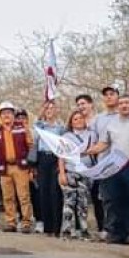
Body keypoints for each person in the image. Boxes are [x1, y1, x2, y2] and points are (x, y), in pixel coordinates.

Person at [87, 94, 129, 246]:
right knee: (113, 200)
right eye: (121, 103)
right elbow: (103, 144)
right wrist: (85, 151)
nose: (124, 106)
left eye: (127, 103)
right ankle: (116, 234)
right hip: (113, 166)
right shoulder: (111, 123)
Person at [0, 101, 35, 233]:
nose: (6, 115)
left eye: (9, 113)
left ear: (13, 114)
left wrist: (32, 168)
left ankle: (26, 223)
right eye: (3, 113)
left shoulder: (22, 128)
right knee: (7, 197)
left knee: (24, 196)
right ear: (0, 116)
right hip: (4, 168)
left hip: (20, 167)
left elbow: (31, 146)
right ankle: (11, 223)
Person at [58, 110, 97, 239]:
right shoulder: (66, 137)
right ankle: (66, 230)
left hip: (86, 172)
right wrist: (62, 173)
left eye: (80, 118)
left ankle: (83, 230)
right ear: (71, 122)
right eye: (75, 119)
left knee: (83, 203)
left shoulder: (92, 135)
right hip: (70, 171)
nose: (78, 120)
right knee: (69, 202)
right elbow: (61, 156)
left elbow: (97, 153)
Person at [91, 85, 120, 240]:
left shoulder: (124, 115)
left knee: (123, 198)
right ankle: (108, 229)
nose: (109, 97)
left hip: (122, 163)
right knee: (107, 198)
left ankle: (124, 230)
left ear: (117, 96)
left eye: (112, 94)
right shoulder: (98, 119)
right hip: (104, 164)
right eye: (106, 95)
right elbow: (94, 142)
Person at [34, 101, 65, 236]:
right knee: (43, 192)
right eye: (47, 108)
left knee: (55, 192)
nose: (49, 110)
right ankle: (47, 227)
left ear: (57, 110)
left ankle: (57, 226)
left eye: (52, 108)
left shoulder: (61, 128)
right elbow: (36, 122)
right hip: (42, 159)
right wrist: (43, 107)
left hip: (55, 158)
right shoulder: (41, 126)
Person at [76, 93, 104, 236]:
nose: (81, 107)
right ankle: (82, 228)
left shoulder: (98, 120)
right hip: (81, 166)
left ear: (91, 104)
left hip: (98, 164)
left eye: (83, 104)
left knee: (98, 198)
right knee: (81, 198)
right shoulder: (77, 121)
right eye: (79, 105)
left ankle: (102, 228)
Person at [15, 108, 41, 230]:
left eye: (23, 118)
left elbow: (36, 150)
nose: (21, 120)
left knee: (35, 195)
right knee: (20, 195)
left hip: (32, 166)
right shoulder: (13, 132)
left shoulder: (34, 132)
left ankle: (39, 219)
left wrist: (33, 168)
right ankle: (22, 218)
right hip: (18, 167)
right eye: (18, 118)